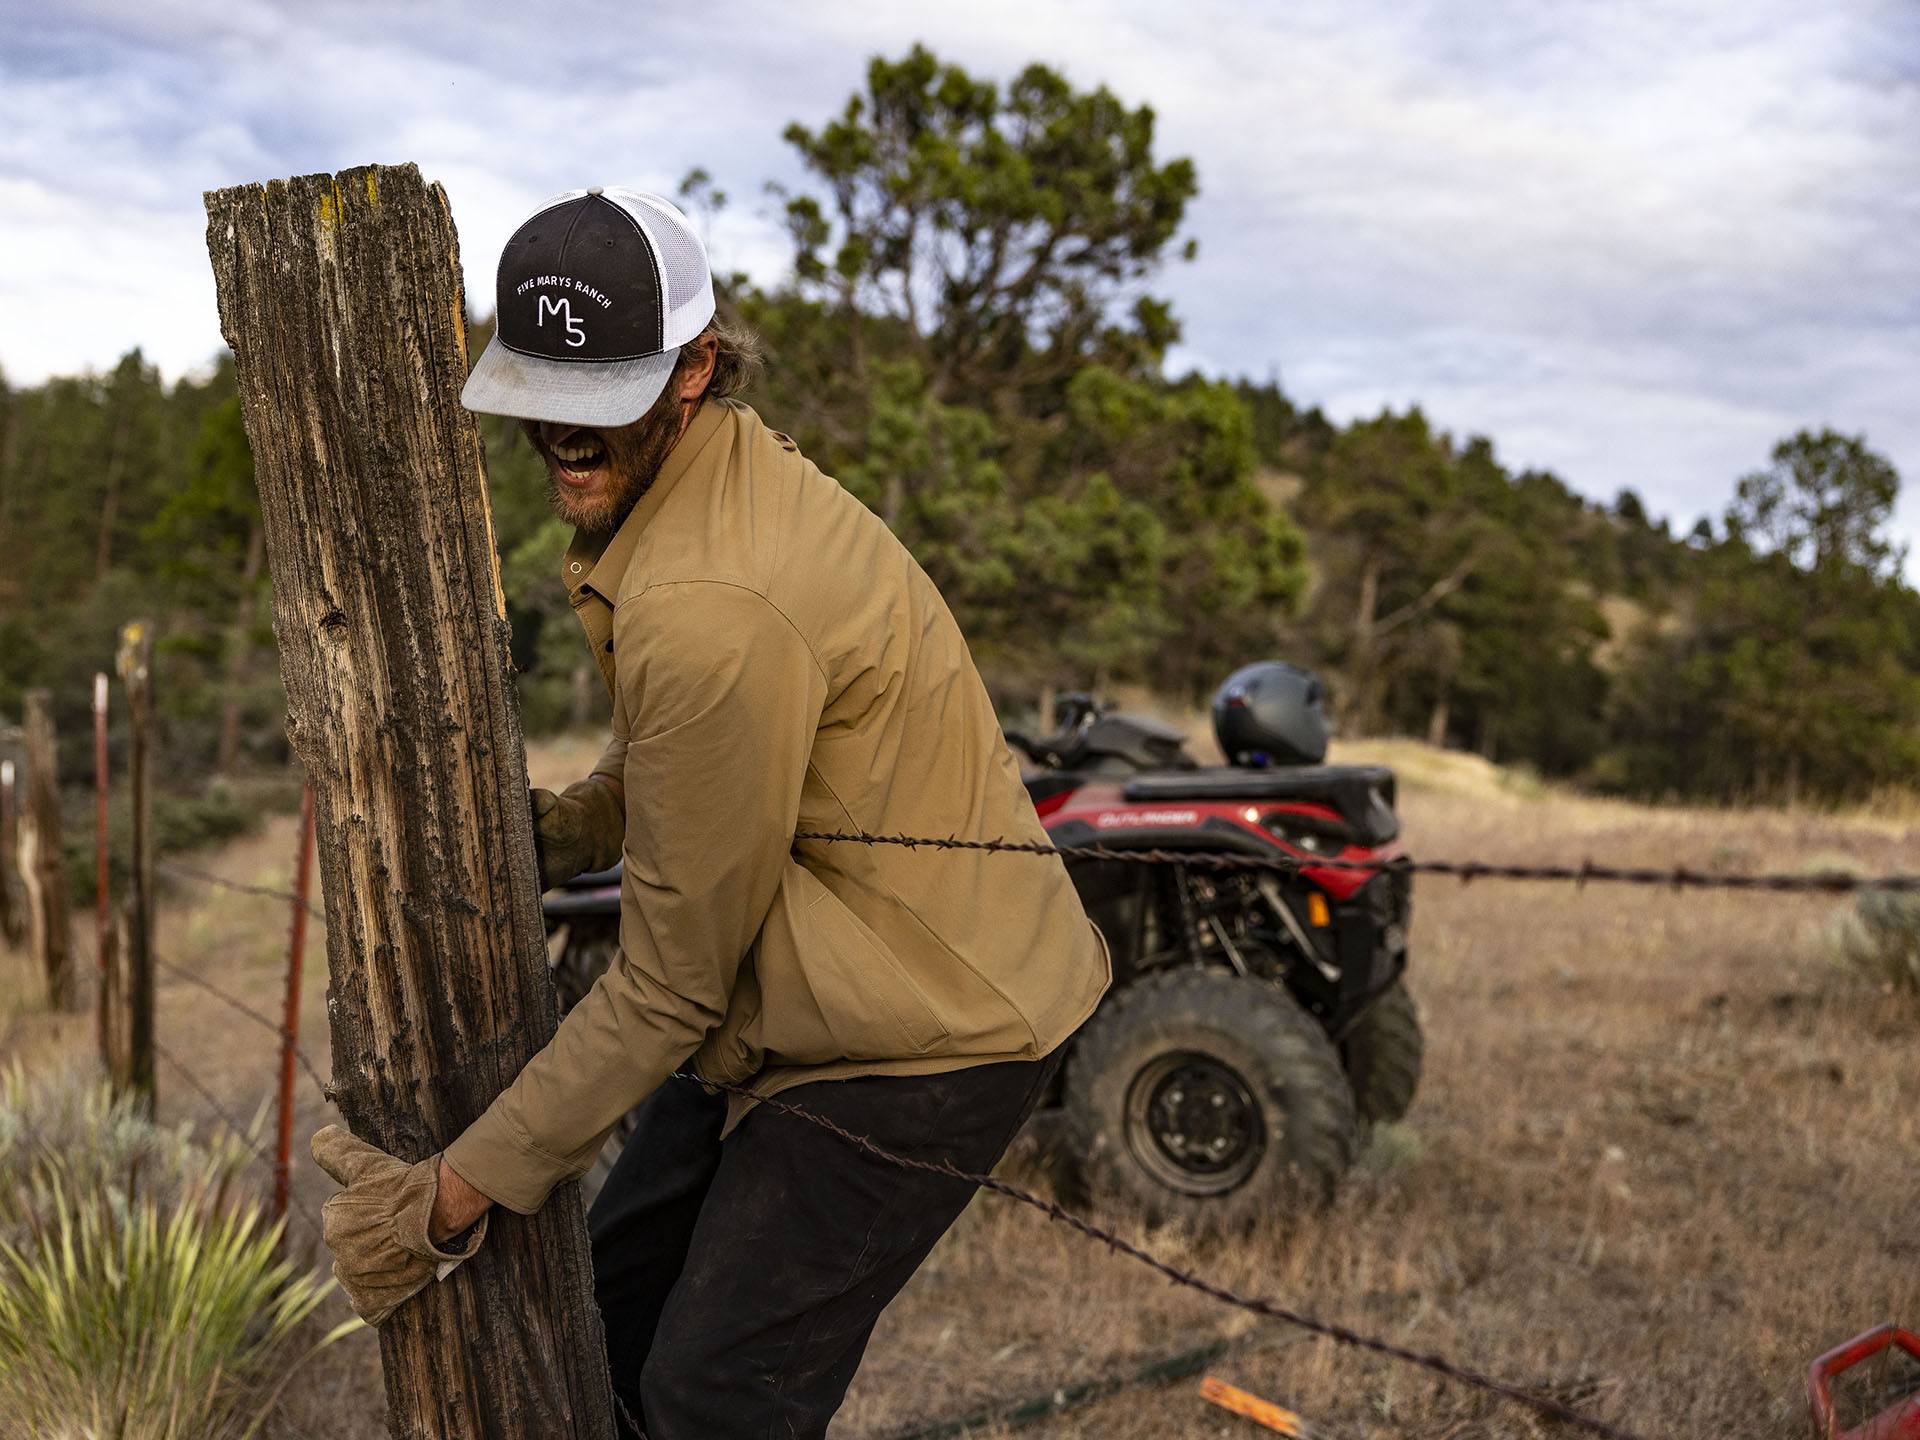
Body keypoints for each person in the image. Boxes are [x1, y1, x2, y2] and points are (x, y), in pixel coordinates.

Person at [308, 187, 1110, 1438]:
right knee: (612, 1315)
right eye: (546, 399)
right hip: (808, 979)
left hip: (933, 1028)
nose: (566, 442)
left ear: (693, 367)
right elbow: (706, 769)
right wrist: (572, 827)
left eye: (602, 403)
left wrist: (443, 1201)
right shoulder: (710, 487)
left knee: (710, 1399)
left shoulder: (712, 600)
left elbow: (671, 986)